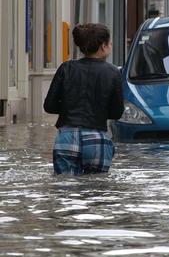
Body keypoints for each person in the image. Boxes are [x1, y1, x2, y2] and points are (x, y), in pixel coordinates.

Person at [43, 23, 125, 175]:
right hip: (97, 139)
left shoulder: (66, 68)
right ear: (103, 46)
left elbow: (49, 106)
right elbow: (117, 113)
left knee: (65, 191)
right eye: (109, 42)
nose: (111, 45)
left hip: (66, 138)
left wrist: (70, 107)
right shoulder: (113, 72)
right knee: (96, 191)